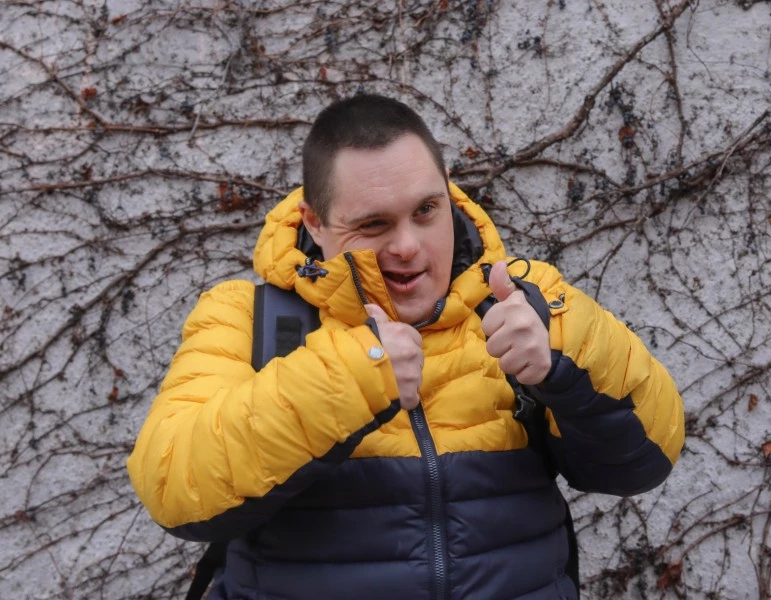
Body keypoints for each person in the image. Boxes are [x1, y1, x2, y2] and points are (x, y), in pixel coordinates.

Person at [127, 94, 685, 600]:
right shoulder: (252, 318)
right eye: (373, 225)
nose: (408, 247)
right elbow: (175, 488)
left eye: (426, 211)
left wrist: (565, 361)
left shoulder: (524, 299)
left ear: (449, 194)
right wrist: (353, 376)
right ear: (315, 224)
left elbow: (649, 457)